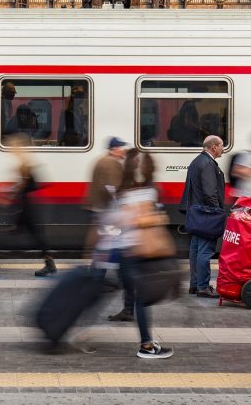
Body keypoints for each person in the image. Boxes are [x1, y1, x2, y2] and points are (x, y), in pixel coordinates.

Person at [107, 150, 174, 359]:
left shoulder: (121, 191)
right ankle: (146, 345)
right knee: (142, 298)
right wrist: (155, 218)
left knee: (135, 295)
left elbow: (116, 222)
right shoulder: (149, 192)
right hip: (141, 252)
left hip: (125, 250)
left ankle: (146, 342)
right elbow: (147, 220)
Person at [108, 149, 155, 322]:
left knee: (132, 285)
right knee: (130, 284)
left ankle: (146, 341)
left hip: (132, 246)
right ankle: (129, 311)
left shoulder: (131, 190)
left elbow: (121, 218)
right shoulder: (147, 189)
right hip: (132, 246)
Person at [180, 135, 225, 298]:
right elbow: (210, 192)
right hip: (207, 214)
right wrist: (218, 212)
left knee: (196, 250)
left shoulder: (196, 161)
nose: (222, 149)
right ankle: (203, 286)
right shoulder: (207, 163)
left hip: (197, 213)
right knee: (205, 252)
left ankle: (195, 284)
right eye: (221, 146)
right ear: (213, 147)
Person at [4, 133, 55, 276]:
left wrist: (14, 190)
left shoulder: (24, 164)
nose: (12, 149)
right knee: (33, 235)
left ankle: (49, 264)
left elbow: (28, 185)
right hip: (27, 204)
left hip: (28, 206)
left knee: (35, 236)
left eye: (13, 146)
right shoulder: (25, 163)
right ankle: (49, 263)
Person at [84, 137, 128, 251]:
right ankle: (95, 260)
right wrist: (121, 205)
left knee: (100, 234)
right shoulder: (111, 163)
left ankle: (94, 259)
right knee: (104, 237)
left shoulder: (105, 160)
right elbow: (113, 187)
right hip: (104, 207)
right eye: (122, 148)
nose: (124, 151)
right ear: (114, 149)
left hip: (99, 205)